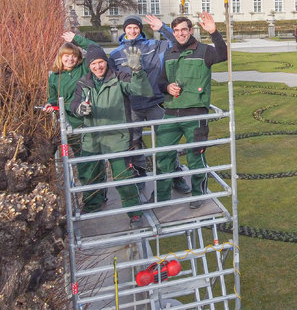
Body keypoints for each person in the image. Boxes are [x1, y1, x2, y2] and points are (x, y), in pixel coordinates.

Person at [71, 45, 152, 227]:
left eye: (100, 62)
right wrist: (79, 109)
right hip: (92, 138)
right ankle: (94, 203)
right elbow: (74, 104)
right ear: (88, 65)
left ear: (106, 62)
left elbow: (142, 90)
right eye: (93, 63)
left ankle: (135, 213)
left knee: (123, 178)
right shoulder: (83, 83)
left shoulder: (119, 78)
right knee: (89, 175)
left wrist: (137, 70)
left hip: (118, 138)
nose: (98, 67)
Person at [109, 14, 191, 194]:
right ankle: (139, 176)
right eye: (129, 28)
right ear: (124, 30)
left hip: (155, 102)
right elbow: (107, 78)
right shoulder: (115, 55)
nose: (132, 31)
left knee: (166, 140)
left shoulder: (153, 46)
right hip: (131, 105)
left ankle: (175, 175)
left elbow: (175, 42)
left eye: (136, 27)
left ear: (140, 29)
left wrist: (162, 27)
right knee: (134, 143)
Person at [156, 13, 227, 207]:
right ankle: (161, 197)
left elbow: (223, 54)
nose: (180, 34)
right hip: (170, 112)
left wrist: (214, 32)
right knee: (163, 155)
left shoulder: (204, 51)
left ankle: (198, 195)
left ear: (190, 31)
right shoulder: (169, 54)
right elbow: (161, 81)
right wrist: (167, 87)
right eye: (176, 31)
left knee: (196, 157)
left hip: (195, 114)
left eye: (183, 30)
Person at [44, 31, 96, 154]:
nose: (70, 59)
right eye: (66, 56)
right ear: (60, 57)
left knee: (95, 153)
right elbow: (52, 98)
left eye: (73, 56)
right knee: (80, 154)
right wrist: (49, 105)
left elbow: (95, 49)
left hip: (90, 117)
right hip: (70, 121)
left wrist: (76, 39)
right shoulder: (55, 77)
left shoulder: (83, 68)